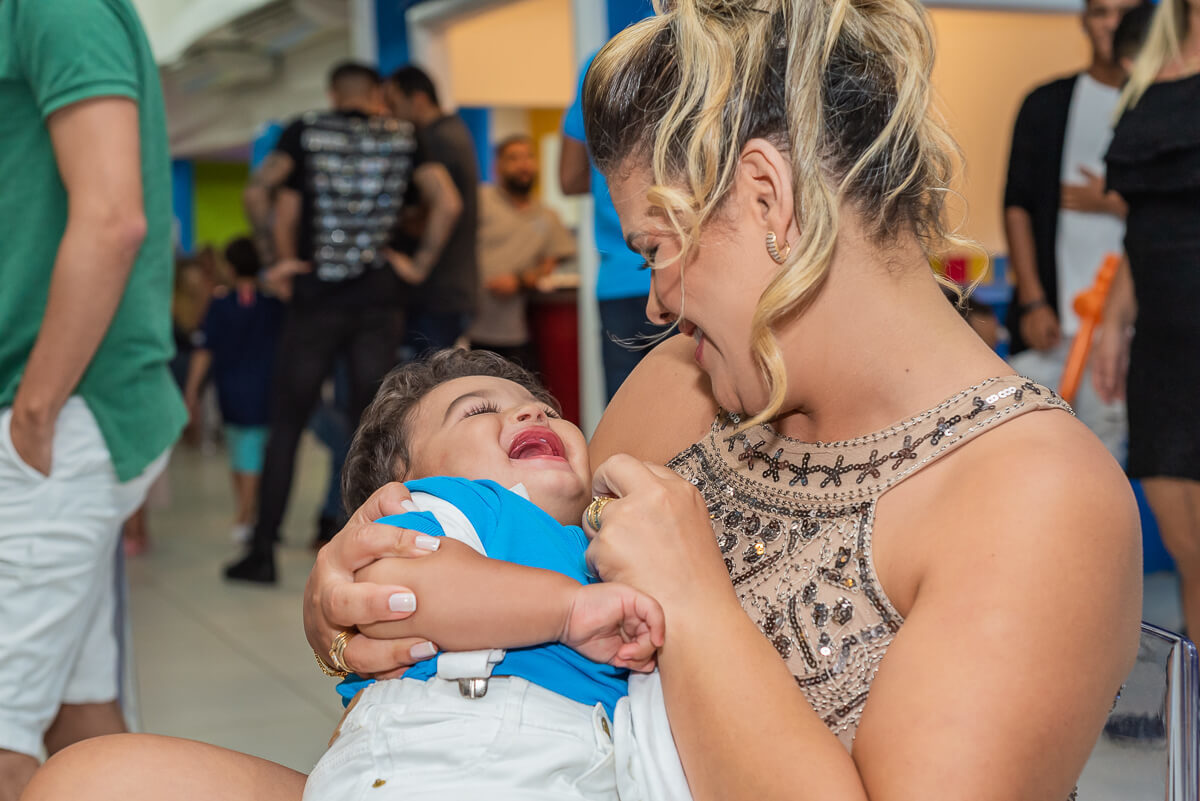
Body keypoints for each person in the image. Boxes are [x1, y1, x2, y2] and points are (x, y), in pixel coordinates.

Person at [23, 2, 1143, 800]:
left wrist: (694, 604)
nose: (656, 296)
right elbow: (519, 619)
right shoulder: (686, 387)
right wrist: (363, 613)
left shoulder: (1030, 495)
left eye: (658, 244)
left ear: (766, 198)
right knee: (96, 781)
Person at [304, 348, 682, 801]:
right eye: (480, 410)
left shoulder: (601, 545)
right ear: (403, 479)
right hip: (449, 744)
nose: (535, 412)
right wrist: (566, 610)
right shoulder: (453, 504)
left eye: (551, 412)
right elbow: (403, 585)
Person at [0, 0, 185, 797]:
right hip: (50, 410)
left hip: (62, 410)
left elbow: (112, 218)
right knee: (79, 724)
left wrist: (37, 410)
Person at [225, 62, 463, 584]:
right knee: (370, 427)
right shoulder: (404, 136)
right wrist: (418, 265)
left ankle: (261, 552)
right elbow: (447, 201)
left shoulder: (304, 129)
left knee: (286, 426)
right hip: (378, 297)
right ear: (376, 94)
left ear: (333, 93)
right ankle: (364, 553)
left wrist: (274, 260)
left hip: (315, 296)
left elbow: (257, 192)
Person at [1003, 0, 1143, 462]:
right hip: (1050, 329)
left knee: (1108, 466)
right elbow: (1017, 205)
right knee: (1028, 457)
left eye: (1125, 13)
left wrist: (1113, 201)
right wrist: (1033, 301)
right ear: (1084, 19)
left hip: (1127, 340)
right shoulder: (1046, 104)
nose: (1112, 24)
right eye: (1102, 11)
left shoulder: (1165, 106)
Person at [1098, 0, 1200, 633]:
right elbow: (1146, 221)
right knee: (1186, 545)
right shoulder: (1147, 67)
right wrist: (1113, 319)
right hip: (1162, 341)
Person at [561, 53, 668, 400]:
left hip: (618, 282)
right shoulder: (688, 53)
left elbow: (568, 177)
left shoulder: (599, 67)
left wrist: (607, 179)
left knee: (627, 413)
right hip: (681, 267)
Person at [184, 238, 284, 544]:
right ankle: (250, 512)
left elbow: (204, 350)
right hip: (268, 388)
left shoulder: (221, 304)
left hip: (231, 388)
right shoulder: (274, 304)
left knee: (242, 451)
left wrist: (191, 390)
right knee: (255, 451)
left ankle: (245, 512)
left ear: (229, 267)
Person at [385, 66, 481, 353]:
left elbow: (445, 205)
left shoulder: (435, 140)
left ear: (417, 100)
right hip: (449, 289)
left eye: (393, 104)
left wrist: (417, 265)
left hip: (438, 291)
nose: (389, 114)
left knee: (422, 390)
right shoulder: (452, 132)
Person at [468, 136, 577, 371]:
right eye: (513, 158)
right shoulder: (479, 201)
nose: (523, 164)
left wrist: (520, 281)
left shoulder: (547, 216)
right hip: (468, 323)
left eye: (528, 157)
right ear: (496, 166)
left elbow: (552, 260)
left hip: (516, 328)